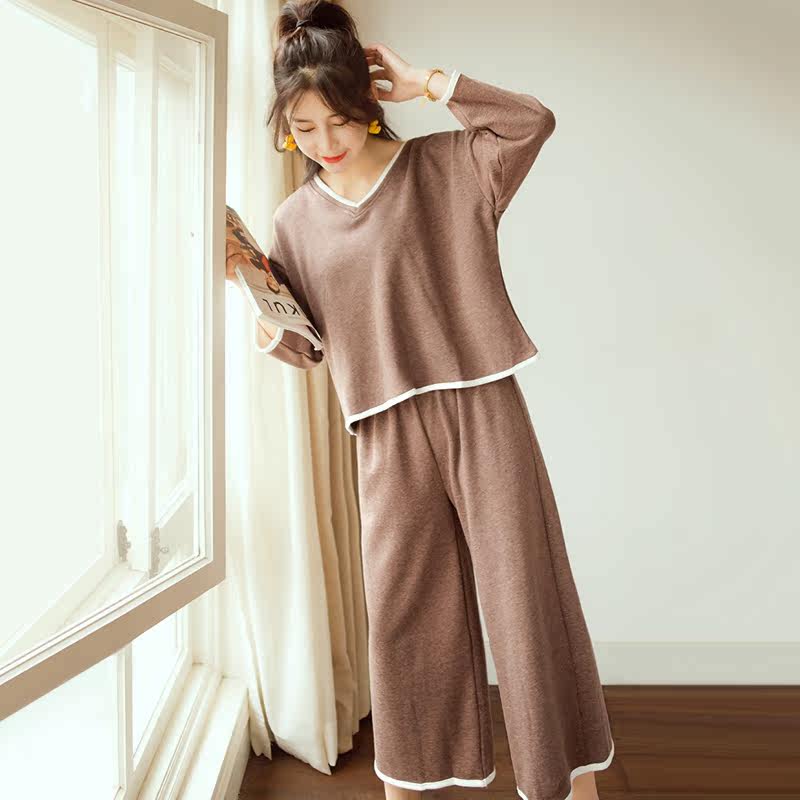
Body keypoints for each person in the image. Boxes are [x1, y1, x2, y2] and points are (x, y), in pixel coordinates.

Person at [227, 2, 616, 799]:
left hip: (482, 406)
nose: (325, 142)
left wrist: (432, 83)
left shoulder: (448, 166)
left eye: (339, 119)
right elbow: (308, 348)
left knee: (525, 596)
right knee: (406, 615)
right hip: (383, 429)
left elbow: (530, 123)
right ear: (286, 130)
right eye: (305, 128)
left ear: (368, 104)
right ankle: (409, 784)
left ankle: (568, 782)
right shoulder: (295, 222)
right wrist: (251, 289)